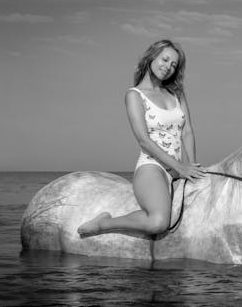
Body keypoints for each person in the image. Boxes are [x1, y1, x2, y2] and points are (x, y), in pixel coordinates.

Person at [77, 39, 206, 237]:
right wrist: (180, 167)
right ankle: (104, 223)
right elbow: (143, 140)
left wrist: (192, 165)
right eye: (165, 59)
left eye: (174, 65)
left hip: (178, 168)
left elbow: (187, 130)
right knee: (158, 222)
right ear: (151, 56)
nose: (168, 67)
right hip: (152, 167)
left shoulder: (176, 93)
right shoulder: (134, 95)